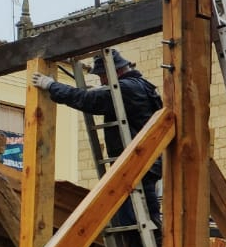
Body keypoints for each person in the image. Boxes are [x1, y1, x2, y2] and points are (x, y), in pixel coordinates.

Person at [31, 51, 163, 233]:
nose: (101, 82)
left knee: (138, 227)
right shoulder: (139, 86)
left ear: (114, 72)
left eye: (102, 76)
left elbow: (88, 100)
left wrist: (52, 86)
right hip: (143, 164)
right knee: (138, 224)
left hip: (136, 165)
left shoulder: (126, 89)